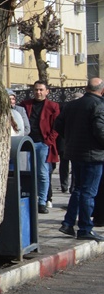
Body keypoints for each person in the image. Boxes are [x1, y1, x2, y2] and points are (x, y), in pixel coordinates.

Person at [54, 76, 104, 241]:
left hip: (74, 153)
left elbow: (58, 125)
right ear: (101, 90)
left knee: (78, 189)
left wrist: (70, 138)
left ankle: (68, 223)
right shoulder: (98, 105)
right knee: (88, 192)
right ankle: (84, 228)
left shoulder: (72, 104)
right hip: (93, 155)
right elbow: (99, 130)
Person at [23, 81, 60, 213]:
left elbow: (57, 126)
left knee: (42, 173)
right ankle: (29, 198)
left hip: (43, 143)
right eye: (36, 90)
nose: (38, 92)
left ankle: (42, 201)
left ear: (47, 91)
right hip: (26, 143)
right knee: (27, 173)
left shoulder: (53, 106)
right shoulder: (26, 104)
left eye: (41, 90)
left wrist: (48, 142)